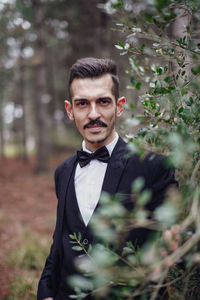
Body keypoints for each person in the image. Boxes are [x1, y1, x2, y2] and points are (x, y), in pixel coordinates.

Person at [37, 57, 177, 300]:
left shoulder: (154, 168)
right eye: (82, 104)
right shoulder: (63, 171)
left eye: (103, 102)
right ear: (70, 110)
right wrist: (47, 292)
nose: (93, 114)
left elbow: (173, 244)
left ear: (119, 106)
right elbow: (59, 244)